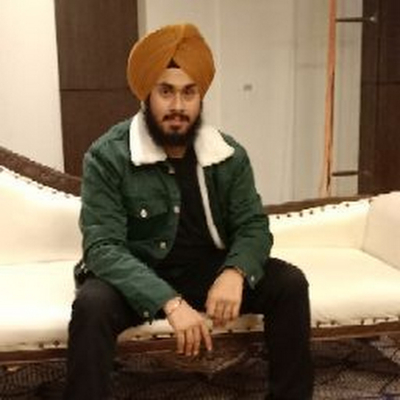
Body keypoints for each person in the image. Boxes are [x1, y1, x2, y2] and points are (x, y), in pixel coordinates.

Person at [63, 23, 314, 400]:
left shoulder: (228, 155)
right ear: (147, 94)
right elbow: (102, 248)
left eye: (189, 92)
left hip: (208, 273)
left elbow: (253, 226)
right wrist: (169, 302)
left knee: (289, 283)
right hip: (138, 275)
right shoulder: (107, 156)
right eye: (166, 91)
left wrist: (235, 272)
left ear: (200, 97)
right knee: (91, 304)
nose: (178, 106)